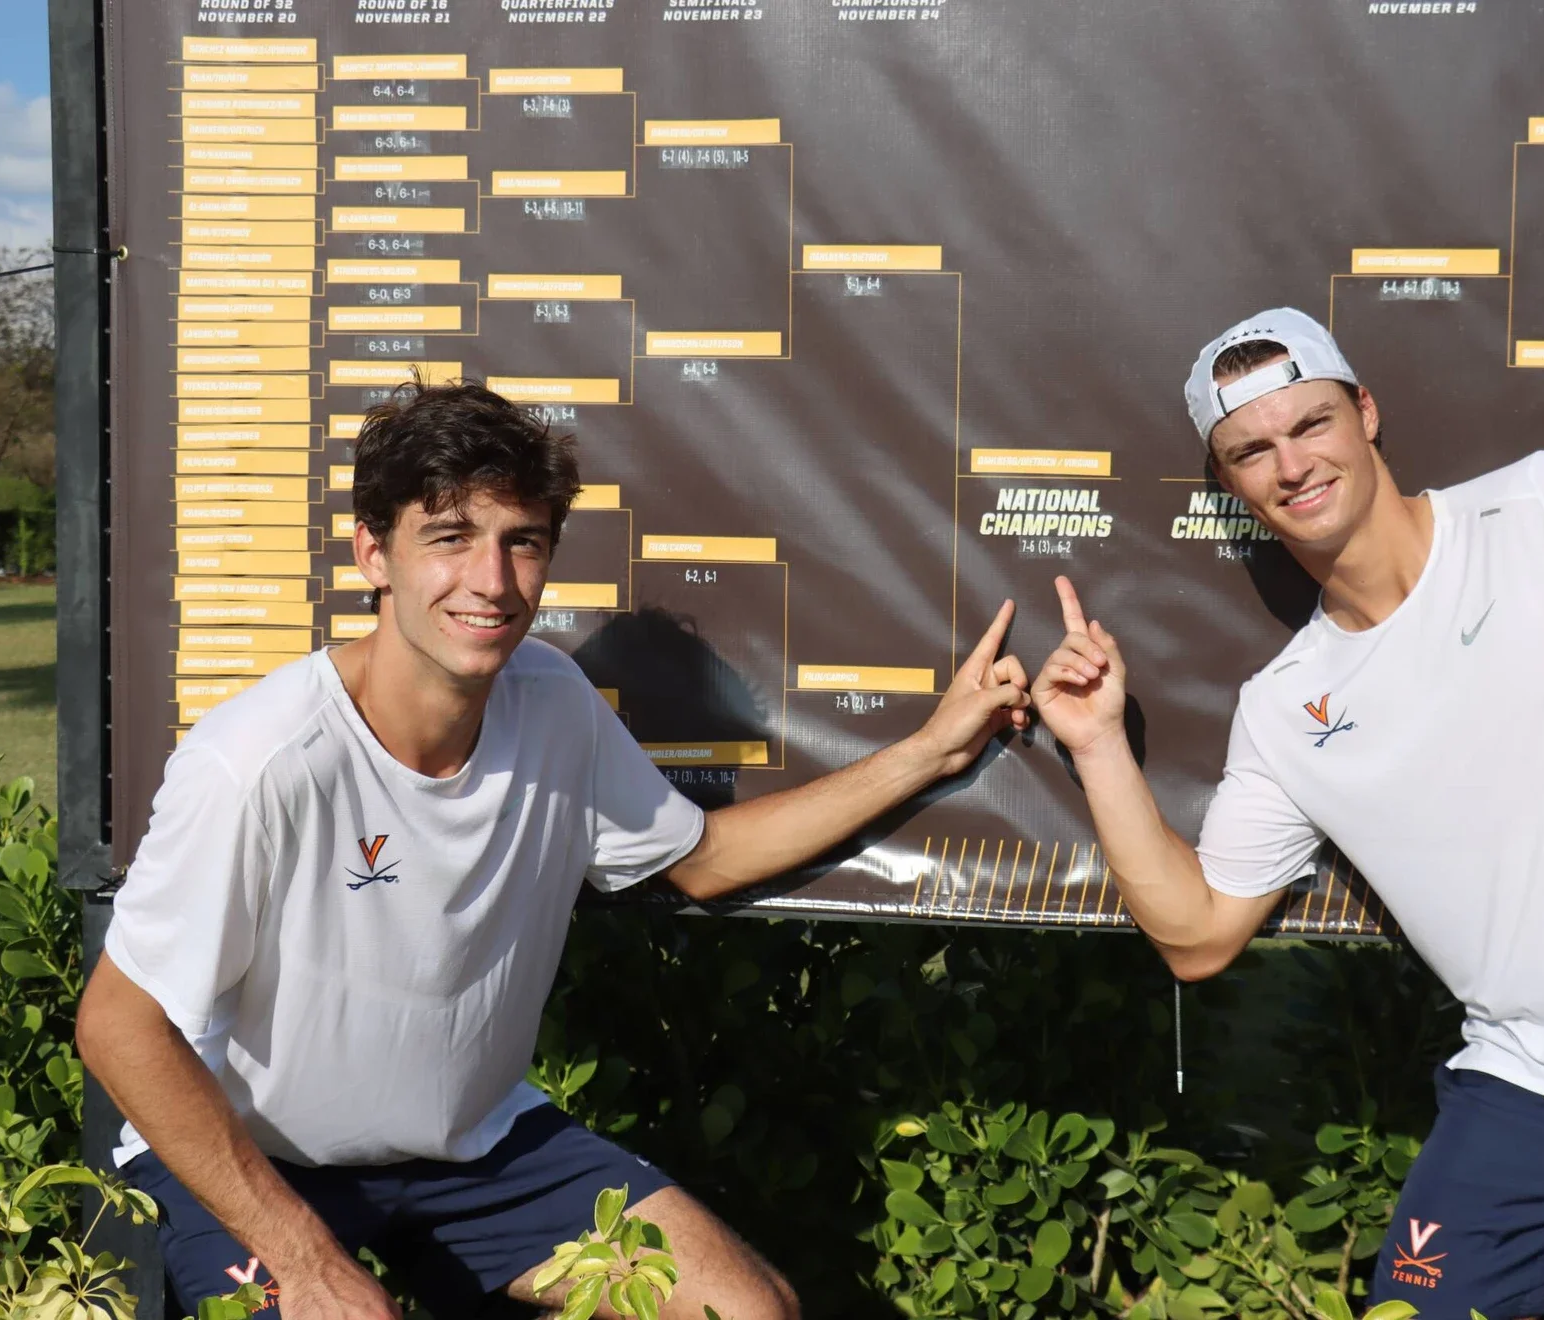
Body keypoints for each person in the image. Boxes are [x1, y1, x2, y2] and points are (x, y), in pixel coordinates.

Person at [76, 379, 1033, 1320]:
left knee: (748, 1312)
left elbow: (701, 859)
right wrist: (309, 1262)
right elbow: (118, 1027)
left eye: (520, 542)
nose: (491, 582)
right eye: (449, 539)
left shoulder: (553, 699)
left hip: (474, 1150)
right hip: (255, 1159)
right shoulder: (258, 761)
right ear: (374, 552)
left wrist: (931, 751)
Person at [1026, 307, 1544, 1318]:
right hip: (1519, 1099)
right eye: (1252, 450)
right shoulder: (1286, 705)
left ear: (1367, 412)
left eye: (1313, 424)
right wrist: (1097, 744)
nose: (1292, 464)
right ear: (1231, 486)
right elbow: (1197, 935)